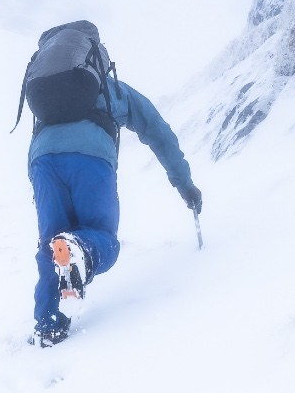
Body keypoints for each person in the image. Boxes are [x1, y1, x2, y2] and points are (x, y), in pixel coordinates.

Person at [23, 22, 203, 346]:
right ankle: (79, 249)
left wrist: (37, 184)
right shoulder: (108, 88)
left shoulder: (44, 94)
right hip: (91, 160)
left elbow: (37, 140)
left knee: (52, 244)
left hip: (43, 162)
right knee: (101, 239)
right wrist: (184, 184)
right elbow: (157, 131)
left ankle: (49, 327)